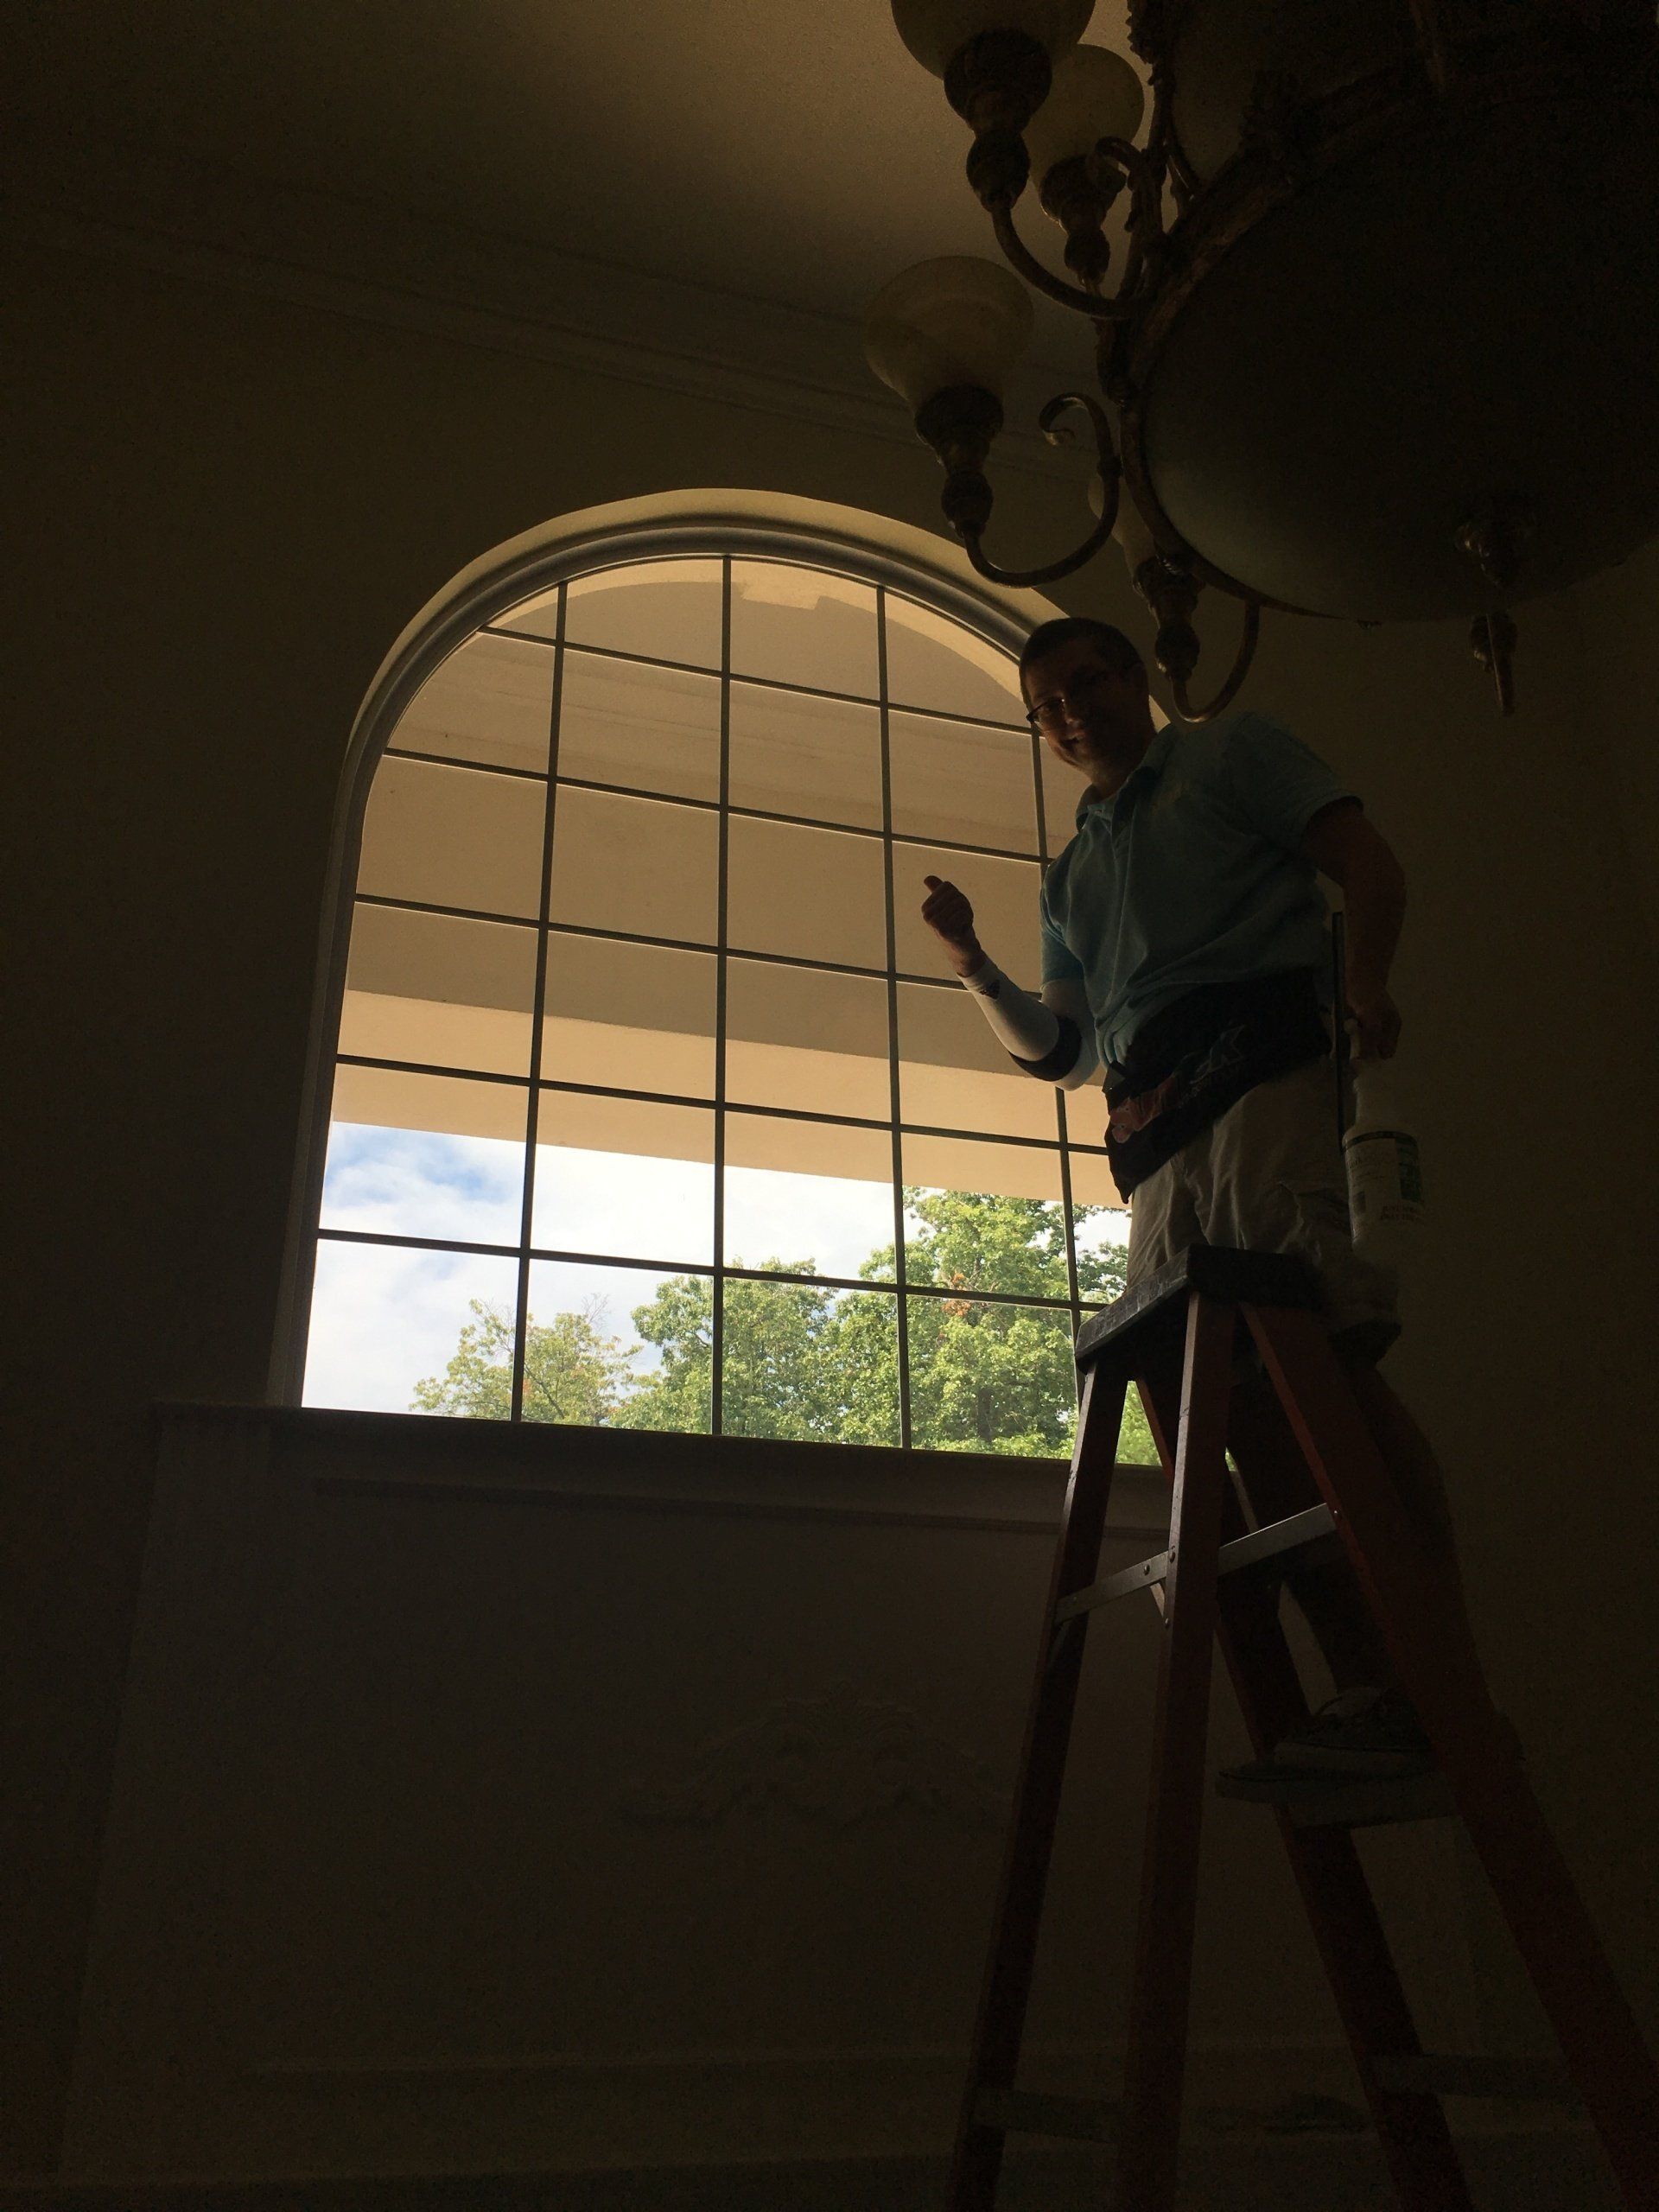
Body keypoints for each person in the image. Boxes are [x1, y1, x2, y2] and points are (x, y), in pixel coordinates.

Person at [920, 614, 1502, 1791]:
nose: (1070, 711)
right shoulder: (1073, 872)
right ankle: (1365, 1683)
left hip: (1269, 1073)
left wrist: (1367, 983)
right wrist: (977, 965)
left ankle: (1437, 1677)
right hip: (1153, 1130)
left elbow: (1366, 861)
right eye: (1047, 705)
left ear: (1135, 678)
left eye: (1088, 681)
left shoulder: (1233, 757)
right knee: (1231, 1405)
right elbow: (1066, 1051)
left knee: (1323, 1361)